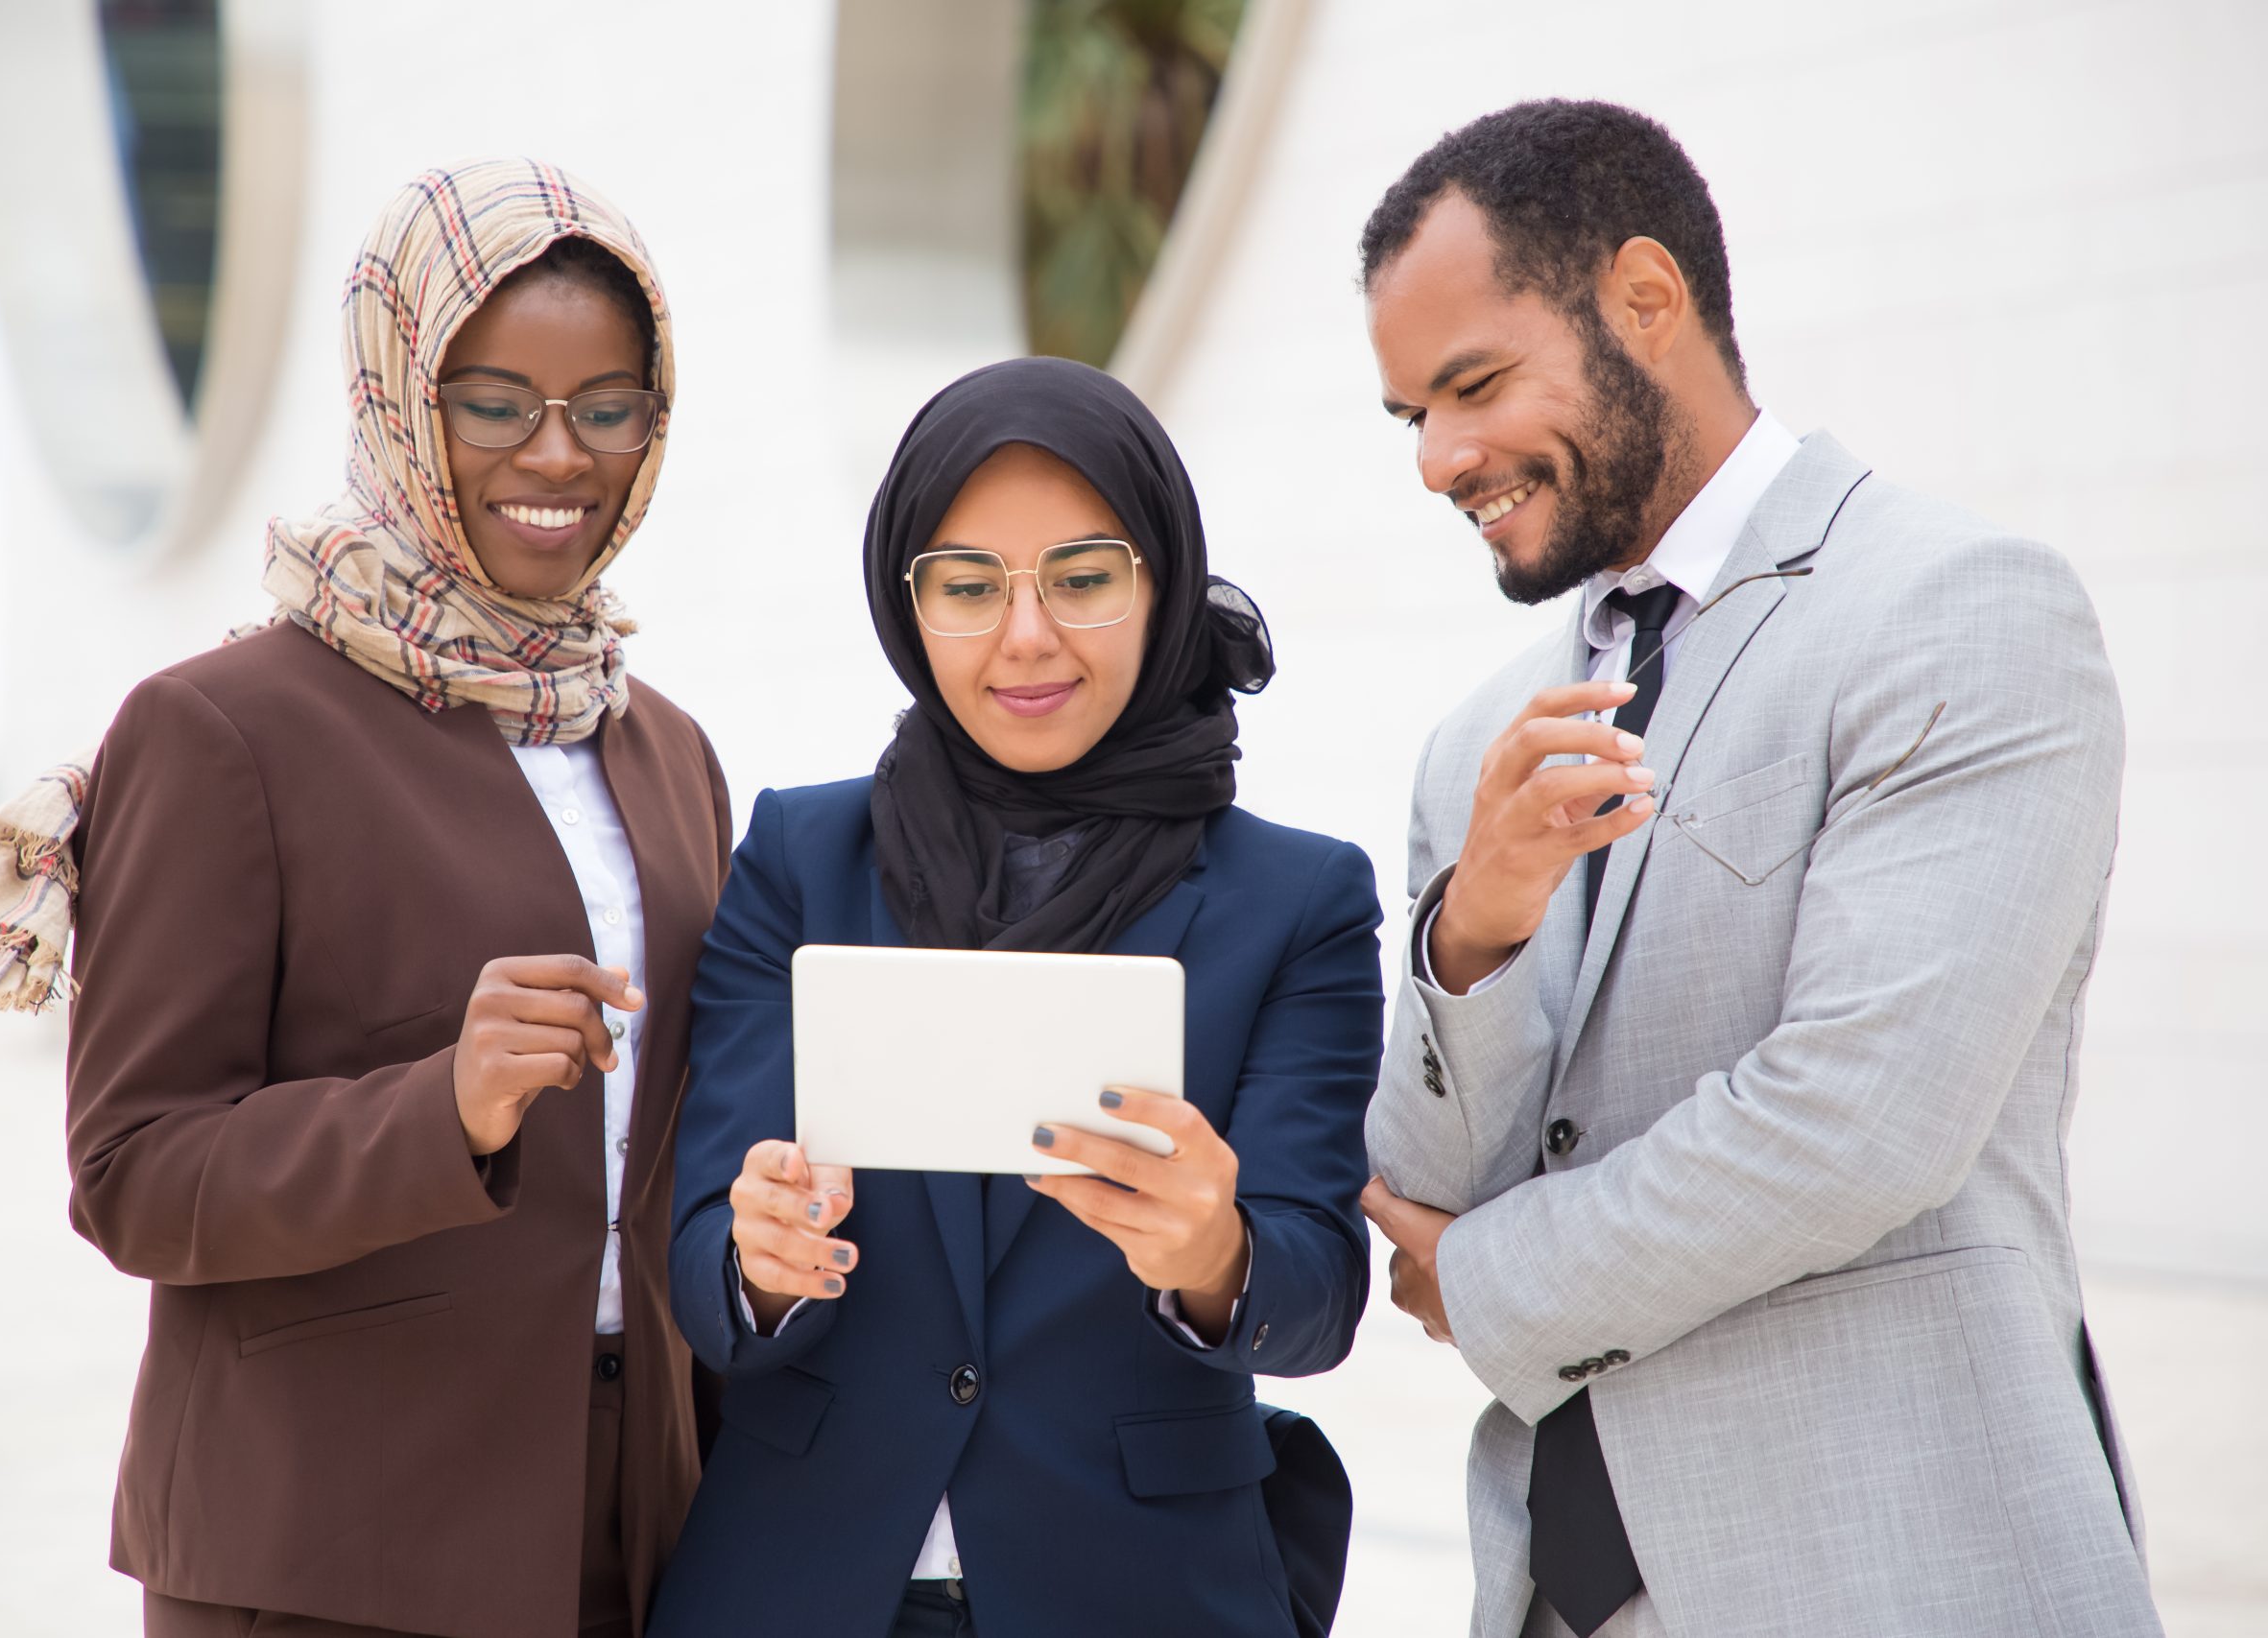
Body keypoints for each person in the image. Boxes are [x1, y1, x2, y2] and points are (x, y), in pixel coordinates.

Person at [1352, 101, 2162, 1638]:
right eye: (1412, 418)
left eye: (1473, 385)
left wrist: (1497, 1282)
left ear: (1646, 301)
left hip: (1897, 1573)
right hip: (1555, 1595)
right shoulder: (1477, 745)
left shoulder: (1954, 608)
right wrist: (1479, 935)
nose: (1443, 458)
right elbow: (1425, 1185)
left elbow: (1860, 1120)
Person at [0, 160, 728, 1637]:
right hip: (332, 1550)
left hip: (630, 1536)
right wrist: (442, 1110)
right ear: (401, 404)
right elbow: (133, 1173)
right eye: (495, 403)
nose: (557, 456)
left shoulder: (666, 749)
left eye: (607, 408)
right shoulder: (222, 730)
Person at [647, 357, 1382, 1638]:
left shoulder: (1299, 900)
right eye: (969, 587)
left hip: (1144, 1593)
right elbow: (705, 1254)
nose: (1025, 636)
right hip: (800, 1581)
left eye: (1084, 579)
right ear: (906, 602)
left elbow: (1315, 1291)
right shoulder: (801, 860)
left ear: (1160, 581)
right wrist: (756, 1260)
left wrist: (1215, 1255)